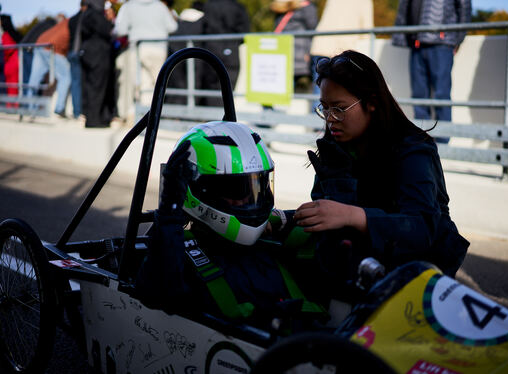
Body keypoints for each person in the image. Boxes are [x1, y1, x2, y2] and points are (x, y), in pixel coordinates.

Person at [274, 50, 469, 305]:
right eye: (325, 108)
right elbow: (326, 214)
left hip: (418, 279)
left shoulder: (413, 149)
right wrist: (281, 219)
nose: (331, 118)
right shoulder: (334, 147)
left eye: (340, 108)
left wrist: (351, 215)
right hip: (357, 268)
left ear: (372, 102)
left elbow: (422, 229)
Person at [135, 121, 324, 329]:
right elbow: (155, 293)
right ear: (199, 190)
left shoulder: (274, 239)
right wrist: (169, 216)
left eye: (257, 186)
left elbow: (334, 260)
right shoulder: (179, 258)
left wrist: (334, 187)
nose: (249, 200)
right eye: (236, 190)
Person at [392, 0, 471, 144]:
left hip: (442, 43)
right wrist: (405, 36)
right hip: (417, 43)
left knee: (441, 94)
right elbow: (405, 6)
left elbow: (464, 6)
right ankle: (422, 140)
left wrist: (457, 38)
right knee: (419, 96)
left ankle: (442, 143)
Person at [309, 0, 373, 111]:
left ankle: (317, 124)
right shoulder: (365, 2)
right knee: (341, 95)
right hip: (343, 48)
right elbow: (367, 30)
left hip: (321, 44)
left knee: (320, 92)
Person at [114, 0, 177, 108]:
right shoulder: (160, 6)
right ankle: (154, 115)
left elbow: (120, 30)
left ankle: (145, 116)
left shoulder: (129, 6)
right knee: (158, 85)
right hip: (159, 48)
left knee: (142, 85)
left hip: (138, 48)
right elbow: (173, 27)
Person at [198, 0, 250, 107]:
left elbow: (203, 27)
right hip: (231, 51)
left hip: (211, 50)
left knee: (211, 86)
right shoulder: (238, 7)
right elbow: (245, 31)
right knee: (228, 88)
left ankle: (212, 118)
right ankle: (223, 118)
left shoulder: (209, 5)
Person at [26, 14, 71, 118]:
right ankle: (59, 108)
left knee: (34, 79)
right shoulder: (70, 23)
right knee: (65, 76)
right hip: (52, 48)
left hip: (40, 45)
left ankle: (29, 107)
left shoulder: (58, 25)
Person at [80, 0, 114, 127]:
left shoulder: (87, 13)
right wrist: (110, 21)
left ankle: (94, 118)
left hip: (90, 53)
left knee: (91, 86)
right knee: (97, 86)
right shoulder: (95, 14)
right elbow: (106, 30)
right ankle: (94, 120)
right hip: (97, 54)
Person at [165, 1, 205, 105]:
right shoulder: (202, 22)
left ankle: (176, 111)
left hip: (176, 54)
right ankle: (191, 108)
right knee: (193, 84)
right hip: (195, 56)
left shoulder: (180, 20)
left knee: (177, 84)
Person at [68, 2, 88, 119]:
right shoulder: (84, 17)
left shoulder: (72, 19)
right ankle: (79, 111)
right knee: (80, 82)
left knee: (75, 83)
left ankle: (76, 111)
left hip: (71, 52)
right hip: (79, 52)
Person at [1, 13, 22, 104]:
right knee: (11, 86)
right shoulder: (10, 34)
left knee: (12, 86)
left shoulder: (7, 35)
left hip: (12, 63)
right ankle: (11, 106)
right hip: (10, 63)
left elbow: (8, 49)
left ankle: (12, 106)